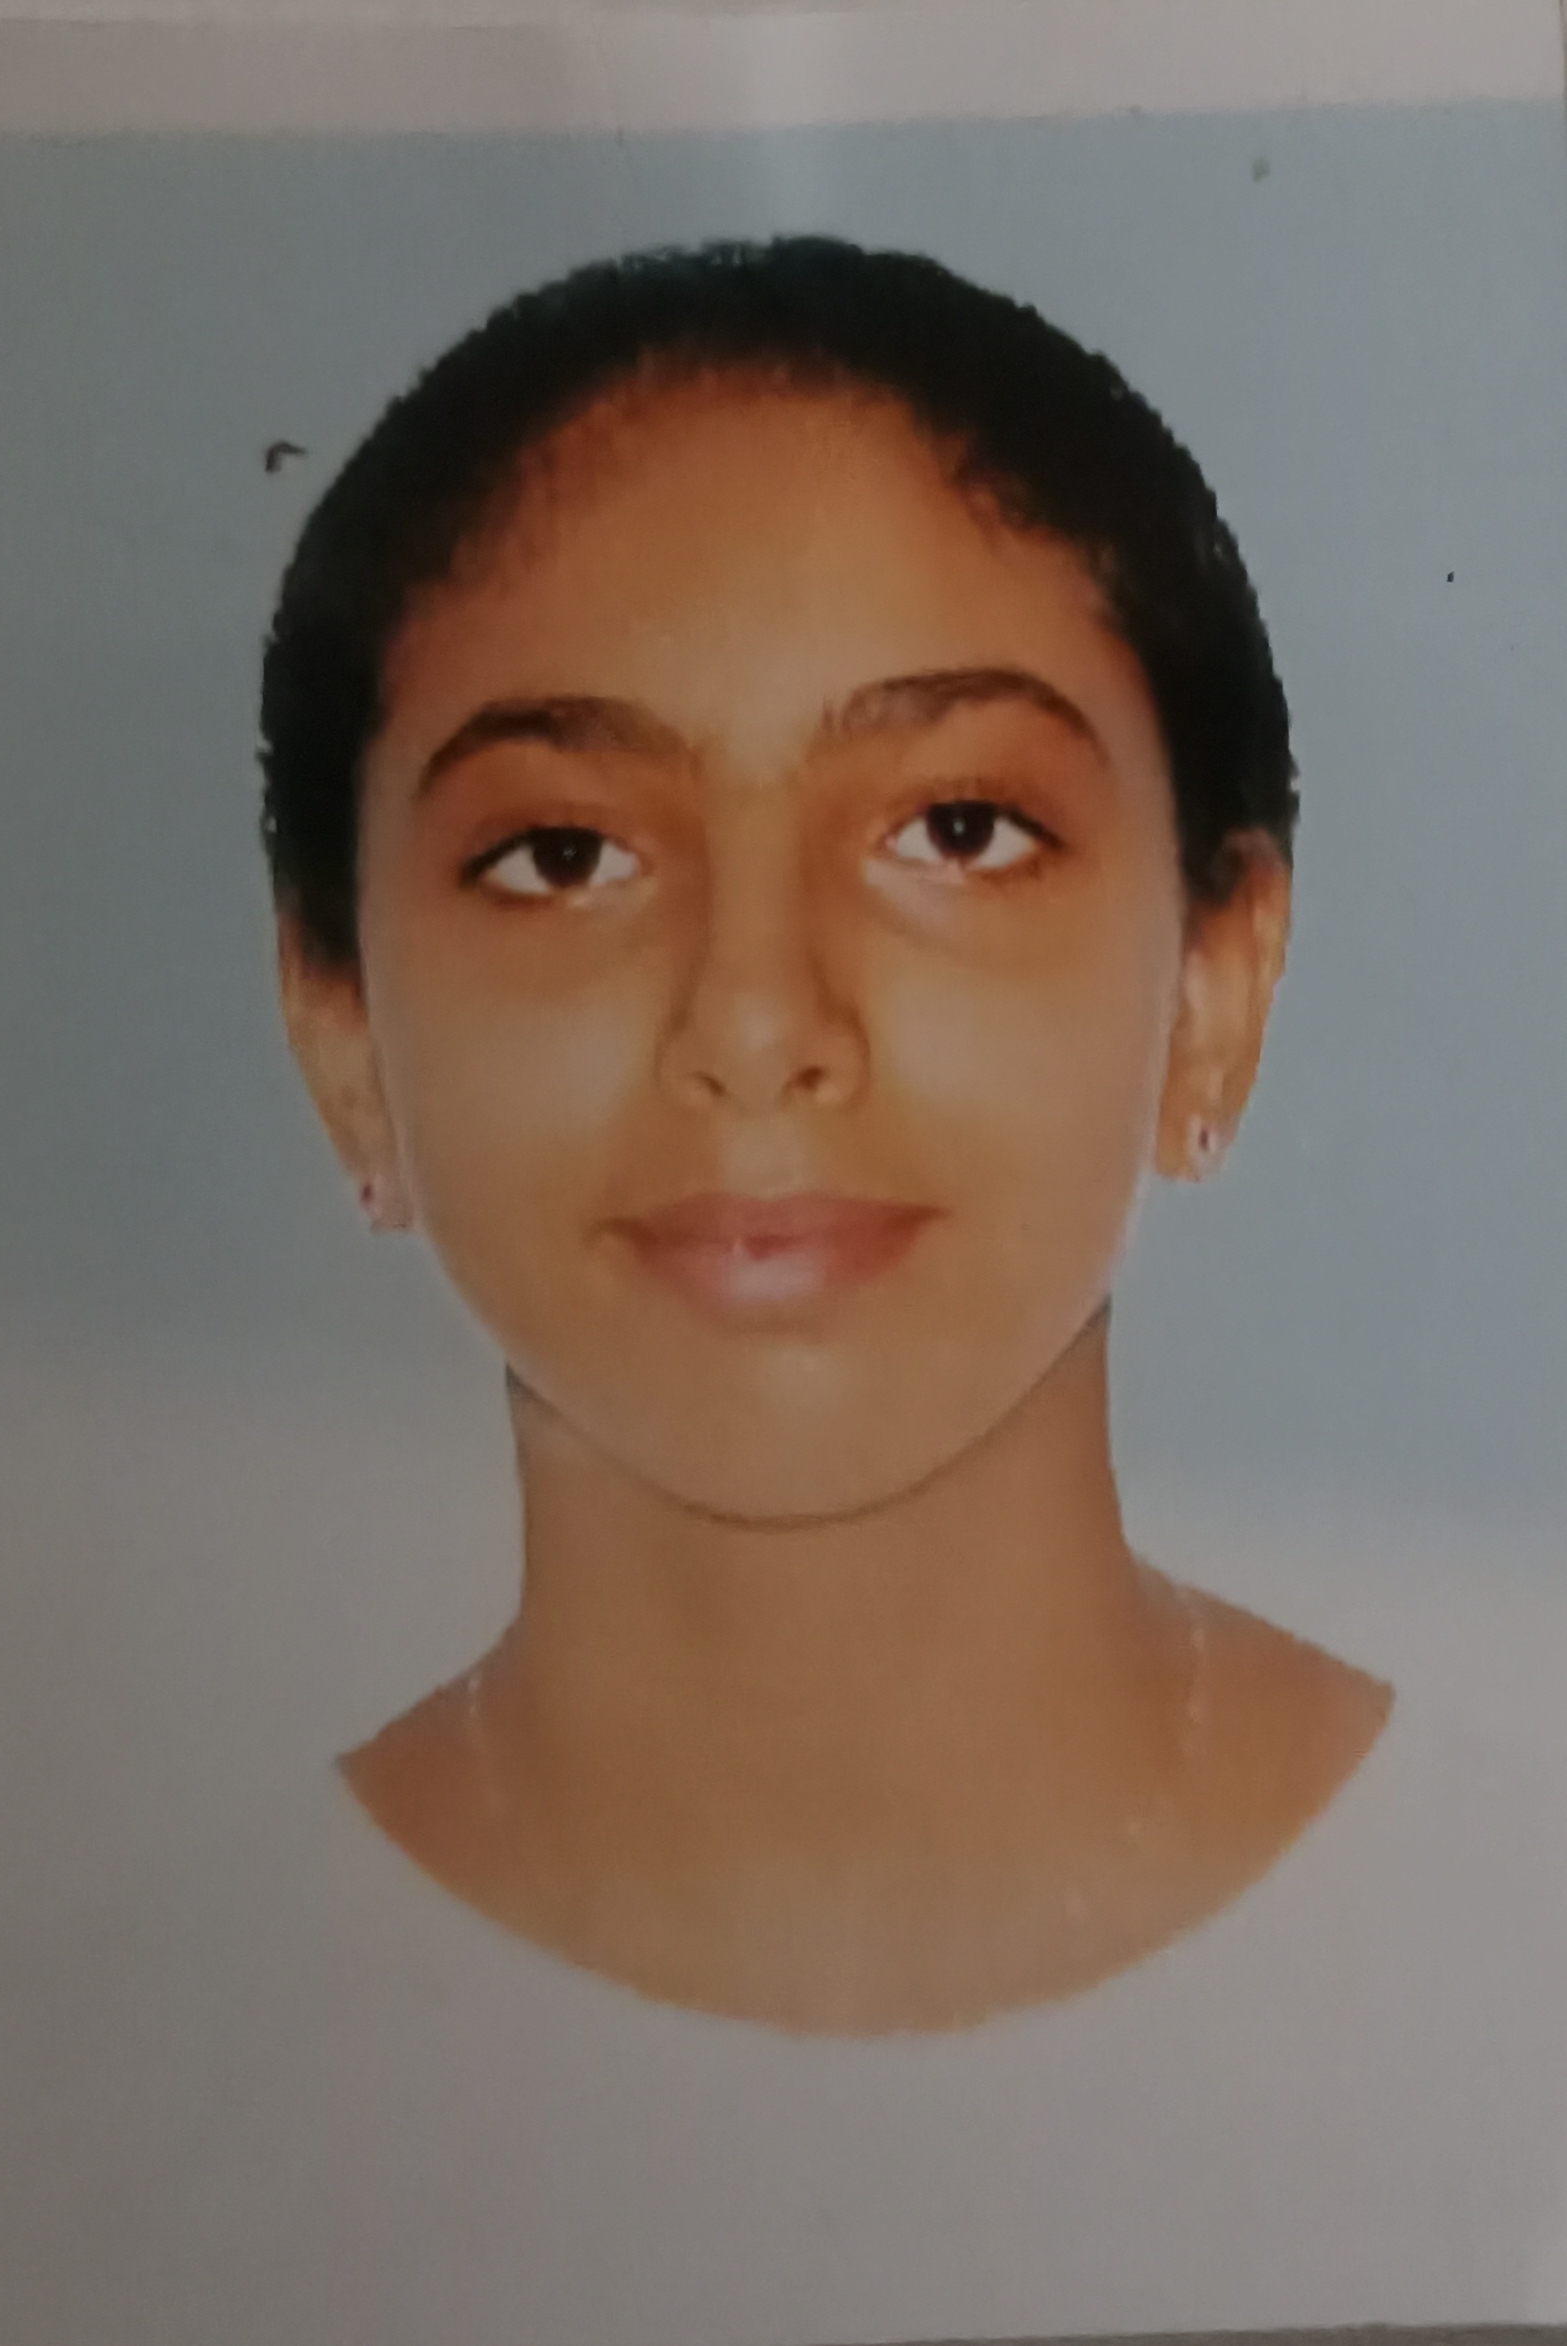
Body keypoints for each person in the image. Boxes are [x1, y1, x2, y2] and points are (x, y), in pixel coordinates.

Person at [258, 233, 1390, 2035]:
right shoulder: (132, 2054)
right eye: (565, 854)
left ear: (1218, 979)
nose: (757, 1023)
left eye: (957, 830)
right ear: (339, 1025)